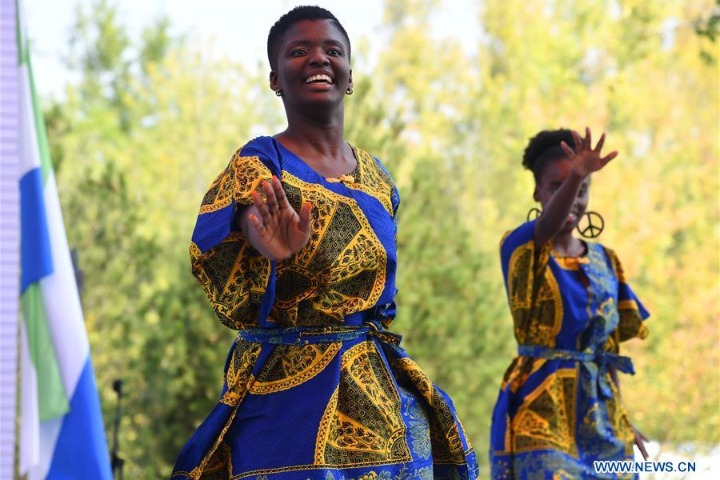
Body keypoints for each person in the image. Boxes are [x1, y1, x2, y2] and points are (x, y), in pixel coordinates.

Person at [170, 6, 478, 480]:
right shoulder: (260, 158)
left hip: (373, 382)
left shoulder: (378, 177)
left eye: (332, 50)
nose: (318, 58)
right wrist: (269, 243)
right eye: (299, 51)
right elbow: (249, 214)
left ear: (349, 74)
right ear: (275, 79)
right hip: (283, 388)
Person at [489, 128, 650, 479]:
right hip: (539, 414)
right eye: (558, 188)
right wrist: (578, 174)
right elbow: (547, 225)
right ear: (537, 192)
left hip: (601, 419)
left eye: (581, 190)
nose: (573, 198)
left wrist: (624, 420)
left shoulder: (606, 262)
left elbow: (608, 350)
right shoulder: (520, 248)